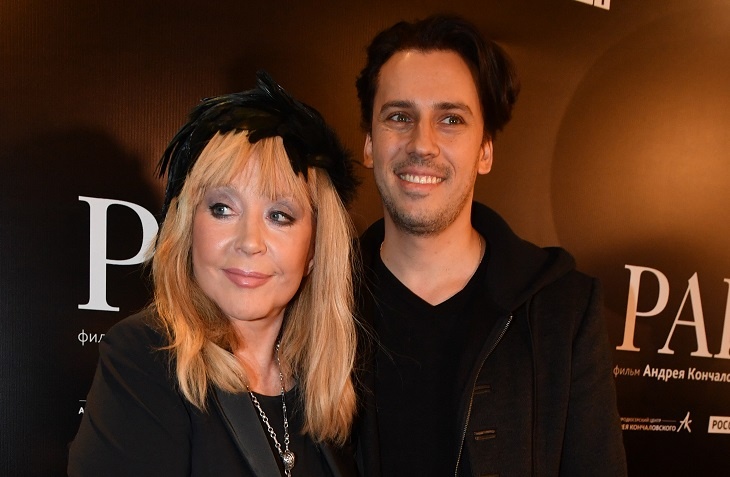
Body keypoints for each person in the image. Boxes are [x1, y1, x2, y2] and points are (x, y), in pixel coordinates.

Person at [353, 15, 627, 477]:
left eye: (451, 120)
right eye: (399, 117)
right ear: (368, 144)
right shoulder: (320, 303)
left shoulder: (563, 311)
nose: (422, 144)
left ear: (485, 150)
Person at [68, 71, 360, 477]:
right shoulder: (146, 359)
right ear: (189, 228)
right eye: (222, 209)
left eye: (279, 215)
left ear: (314, 251)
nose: (249, 241)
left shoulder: (322, 389)